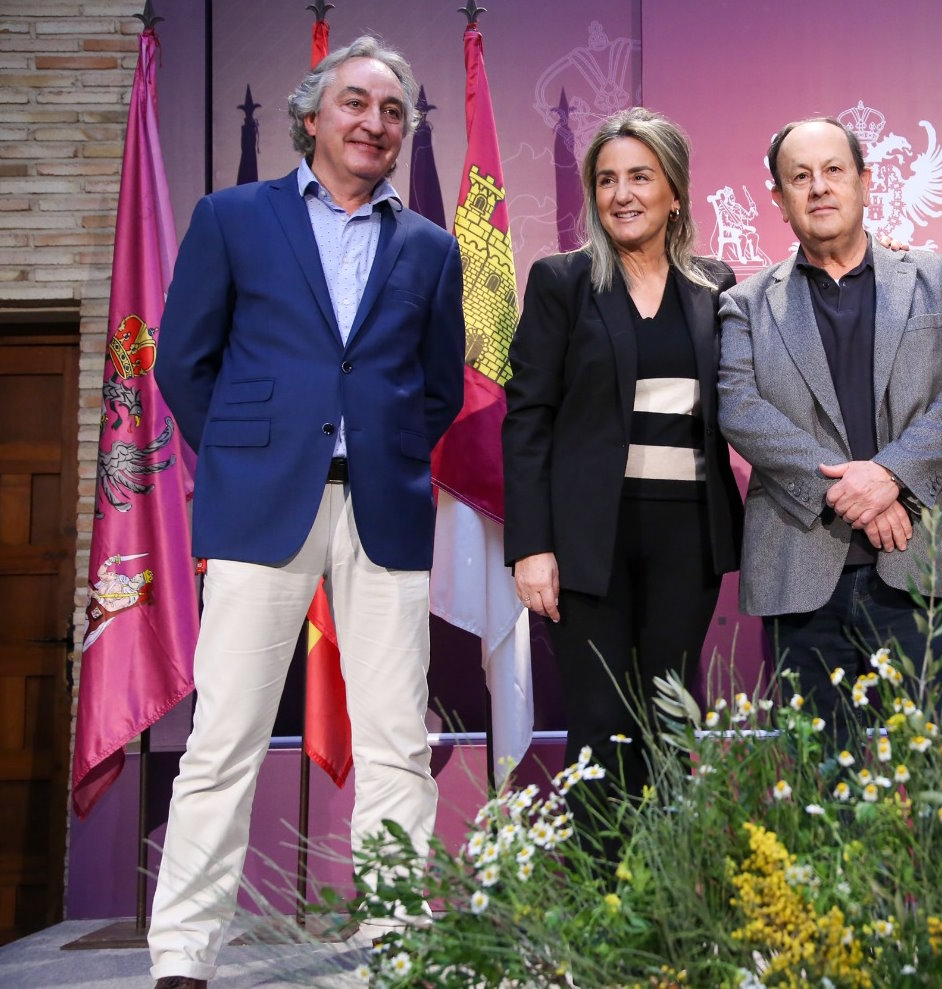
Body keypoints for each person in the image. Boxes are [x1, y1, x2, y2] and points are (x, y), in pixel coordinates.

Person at [146, 38, 464, 989]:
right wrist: (249, 458)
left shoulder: (432, 247)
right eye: (357, 103)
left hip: (386, 512)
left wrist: (382, 448)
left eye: (394, 110)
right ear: (312, 117)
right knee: (225, 737)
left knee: (397, 743)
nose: (376, 123)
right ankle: (183, 954)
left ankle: (395, 939)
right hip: (260, 512)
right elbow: (181, 362)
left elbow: (438, 389)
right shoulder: (233, 217)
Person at [503, 108, 743, 827]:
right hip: (586, 544)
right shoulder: (561, 281)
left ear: (675, 190)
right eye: (606, 180)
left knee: (669, 718)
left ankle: (669, 907)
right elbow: (528, 418)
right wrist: (530, 546)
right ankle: (598, 916)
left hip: (686, 539)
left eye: (640, 176)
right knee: (599, 724)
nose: (622, 193)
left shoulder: (716, 284)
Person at [717, 117, 942, 742]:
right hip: (799, 566)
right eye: (800, 177)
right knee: (821, 782)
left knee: (933, 774)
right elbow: (740, 409)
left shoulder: (940, 279)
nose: (819, 188)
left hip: (917, 561)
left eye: (834, 171)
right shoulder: (744, 304)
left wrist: (889, 475)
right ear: (779, 199)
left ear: (865, 182)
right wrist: (851, 492)